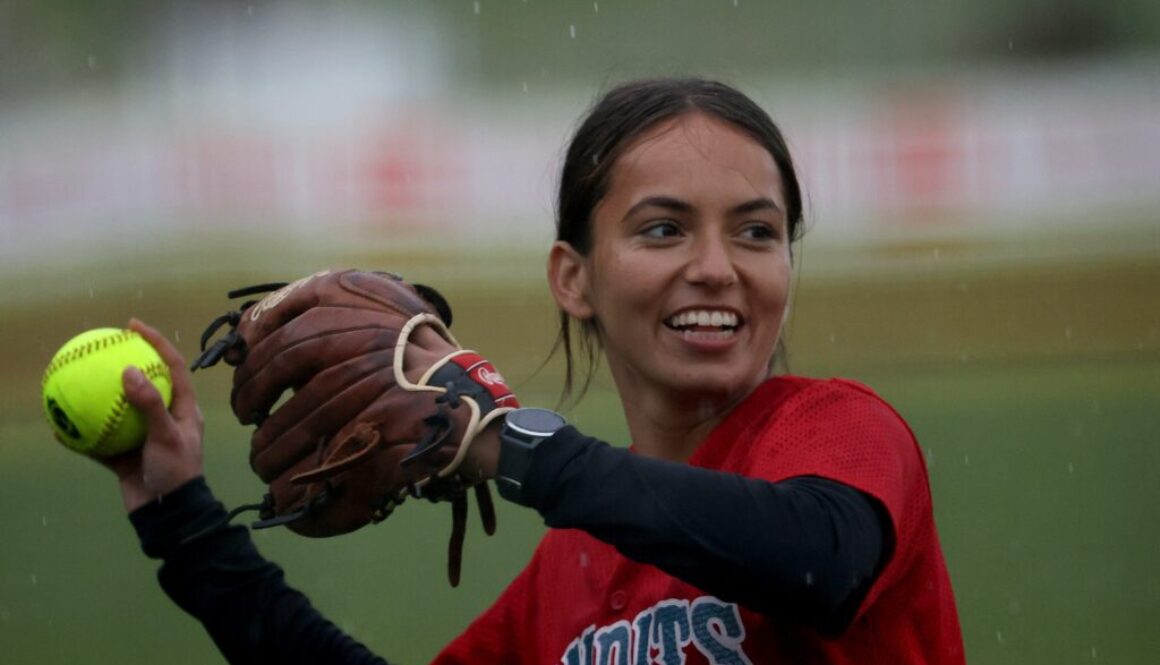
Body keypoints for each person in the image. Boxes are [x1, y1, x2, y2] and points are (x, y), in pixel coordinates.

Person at [109, 77, 965, 664]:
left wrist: (512, 447)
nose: (716, 266)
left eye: (756, 231)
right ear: (573, 277)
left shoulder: (837, 429)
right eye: (664, 229)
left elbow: (819, 562)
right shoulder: (574, 569)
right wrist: (184, 522)